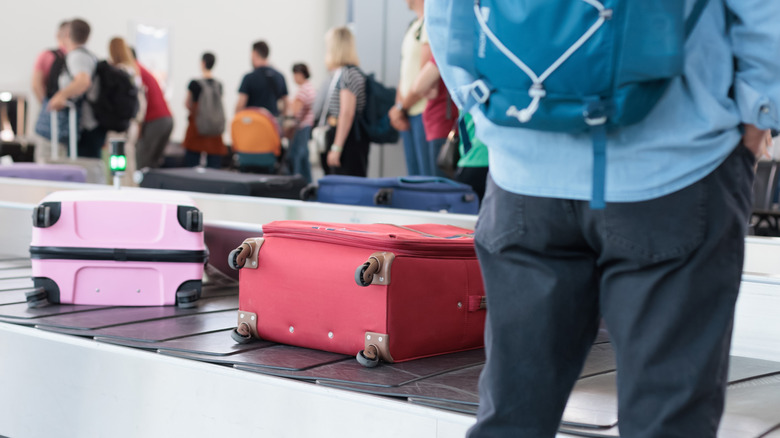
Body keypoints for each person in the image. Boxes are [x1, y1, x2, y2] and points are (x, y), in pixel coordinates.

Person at [427, 1, 779, 437]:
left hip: (524, 172)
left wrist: (480, 108)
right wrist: (759, 110)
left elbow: (447, 12)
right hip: (672, 163)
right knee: (666, 420)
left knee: (512, 416)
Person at [47, 18, 105, 160]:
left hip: (85, 126)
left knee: (84, 169)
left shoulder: (77, 56)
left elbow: (83, 81)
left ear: (67, 34)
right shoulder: (89, 56)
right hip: (88, 125)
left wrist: (60, 96)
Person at [318, 26, 368, 176]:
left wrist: (337, 147)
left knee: (345, 181)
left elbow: (346, 112)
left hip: (347, 138)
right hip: (339, 134)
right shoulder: (339, 73)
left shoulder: (348, 74)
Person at [389, 0, 430, 176]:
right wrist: (399, 108)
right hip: (408, 112)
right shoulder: (413, 26)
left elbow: (425, 77)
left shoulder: (429, 24)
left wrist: (401, 107)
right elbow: (405, 75)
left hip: (424, 111)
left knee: (425, 178)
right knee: (413, 176)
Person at [411, 56, 458, 178]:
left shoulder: (442, 52)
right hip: (449, 124)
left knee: (437, 184)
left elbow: (418, 86)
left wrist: (432, 90)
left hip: (442, 124)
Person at [182, 52, 227, 169]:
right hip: (215, 132)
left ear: (203, 63)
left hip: (197, 128)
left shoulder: (194, 84)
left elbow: (187, 103)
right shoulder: (219, 85)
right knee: (214, 165)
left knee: (192, 163)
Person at [134, 51, 173, 170]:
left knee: (142, 162)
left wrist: (138, 128)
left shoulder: (136, 71)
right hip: (166, 120)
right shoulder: (143, 70)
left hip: (156, 121)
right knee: (152, 164)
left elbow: (140, 103)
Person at [235, 41, 288, 117]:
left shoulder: (249, 77)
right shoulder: (280, 76)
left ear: (254, 53)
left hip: (253, 123)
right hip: (273, 124)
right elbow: (286, 103)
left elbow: (241, 104)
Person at [285, 63, 316, 182]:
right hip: (307, 126)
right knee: (304, 157)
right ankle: (307, 183)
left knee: (297, 157)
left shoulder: (303, 90)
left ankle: (297, 183)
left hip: (302, 127)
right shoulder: (310, 87)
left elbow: (294, 111)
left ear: (299, 74)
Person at [31, 21, 69, 105]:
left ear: (58, 35)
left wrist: (47, 105)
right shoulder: (81, 57)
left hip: (52, 104)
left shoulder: (46, 55)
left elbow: (36, 85)